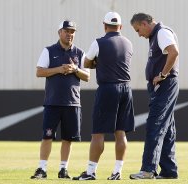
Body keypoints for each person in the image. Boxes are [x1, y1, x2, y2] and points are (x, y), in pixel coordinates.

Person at [73, 12, 135, 180]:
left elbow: (85, 62)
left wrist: (99, 63)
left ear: (104, 25)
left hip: (108, 89)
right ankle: (117, 172)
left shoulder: (99, 42)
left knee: (98, 133)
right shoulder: (129, 43)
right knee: (120, 133)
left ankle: (91, 172)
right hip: (126, 89)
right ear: (120, 27)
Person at [30, 20, 90, 179]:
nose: (69, 34)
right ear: (59, 32)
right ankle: (42, 169)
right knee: (47, 136)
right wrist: (59, 69)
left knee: (68, 139)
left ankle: (63, 169)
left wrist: (75, 69)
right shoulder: (49, 51)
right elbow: (39, 72)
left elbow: (87, 76)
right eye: (66, 31)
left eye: (72, 31)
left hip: (72, 102)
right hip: (53, 101)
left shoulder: (79, 53)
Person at [129, 13, 179, 179]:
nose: (139, 34)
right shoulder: (157, 35)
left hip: (165, 85)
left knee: (154, 125)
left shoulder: (162, 32)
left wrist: (163, 75)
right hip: (162, 85)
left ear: (144, 23)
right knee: (167, 129)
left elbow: (173, 52)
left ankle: (148, 170)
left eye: (138, 30)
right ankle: (169, 171)